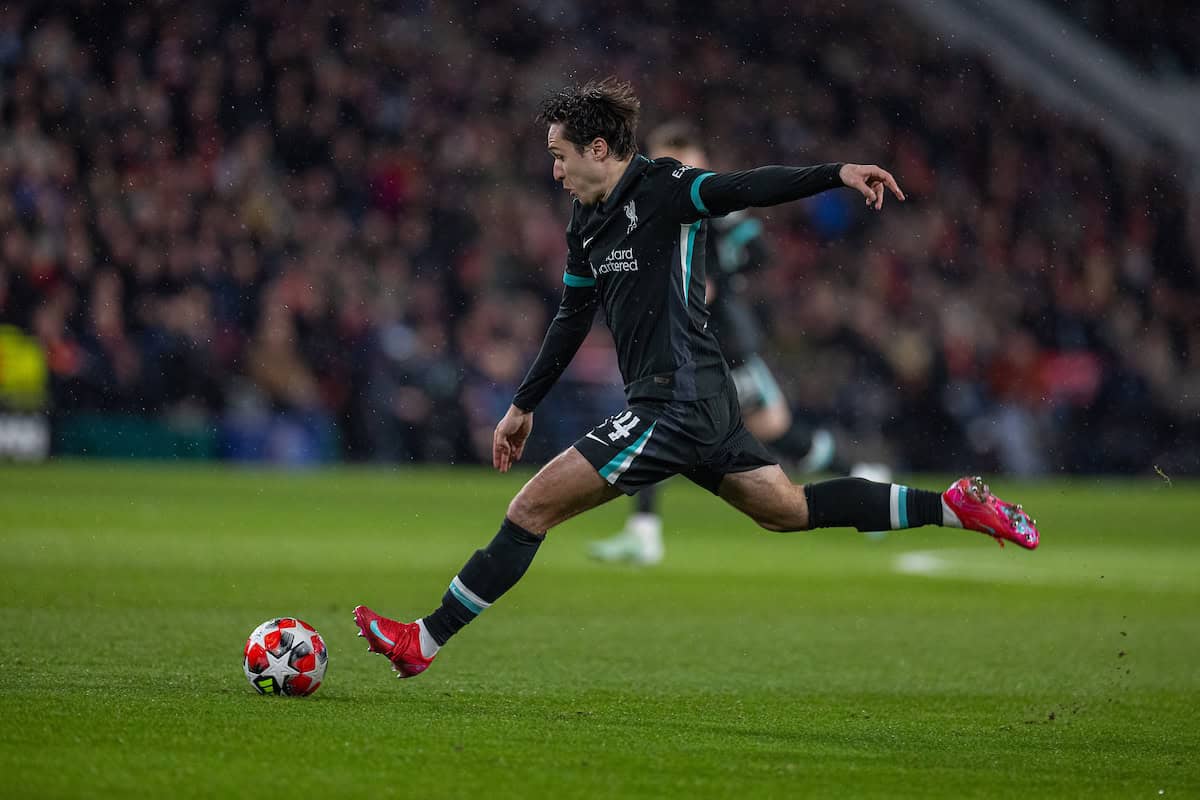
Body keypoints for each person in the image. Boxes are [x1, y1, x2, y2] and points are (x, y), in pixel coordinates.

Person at [353, 77, 1039, 679]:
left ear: (598, 150)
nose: (554, 171)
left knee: (530, 508)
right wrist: (522, 406)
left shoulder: (666, 187)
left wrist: (835, 172)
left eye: (559, 155)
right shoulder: (586, 220)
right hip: (695, 402)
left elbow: (747, 185)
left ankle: (425, 638)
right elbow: (571, 315)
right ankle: (952, 505)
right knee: (788, 509)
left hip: (673, 403)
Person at [589, 120, 838, 566]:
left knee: (775, 431)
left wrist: (718, 276)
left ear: (699, 161)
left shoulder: (715, 203)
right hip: (692, 343)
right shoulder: (654, 202)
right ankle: (644, 531)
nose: (669, 169)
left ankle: (855, 475)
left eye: (679, 160)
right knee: (661, 422)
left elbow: (757, 252)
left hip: (725, 343)